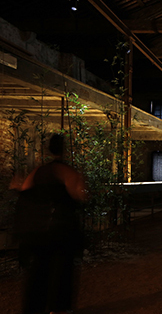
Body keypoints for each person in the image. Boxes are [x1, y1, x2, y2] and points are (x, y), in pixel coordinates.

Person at [13, 133, 87, 314]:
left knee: (38, 269)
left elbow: (24, 191)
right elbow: (80, 196)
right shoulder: (68, 172)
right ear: (65, 150)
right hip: (61, 230)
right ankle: (58, 307)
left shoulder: (37, 172)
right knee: (61, 270)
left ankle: (34, 307)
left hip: (37, 231)